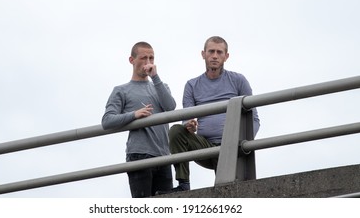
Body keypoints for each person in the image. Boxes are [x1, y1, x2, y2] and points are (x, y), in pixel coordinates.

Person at [168, 36, 260, 192]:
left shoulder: (238, 80)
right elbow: (187, 119)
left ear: (226, 56)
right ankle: (183, 184)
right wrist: (189, 126)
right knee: (176, 131)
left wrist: (241, 143)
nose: (215, 56)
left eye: (219, 52)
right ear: (203, 54)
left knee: (227, 190)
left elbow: (254, 119)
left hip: (231, 146)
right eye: (211, 51)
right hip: (204, 146)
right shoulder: (192, 85)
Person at [101, 41, 176, 198]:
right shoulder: (121, 90)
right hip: (139, 154)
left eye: (151, 58)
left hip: (163, 155)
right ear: (131, 60)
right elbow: (107, 121)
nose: (148, 62)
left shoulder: (161, 86)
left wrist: (155, 77)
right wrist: (134, 115)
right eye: (143, 58)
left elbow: (170, 106)